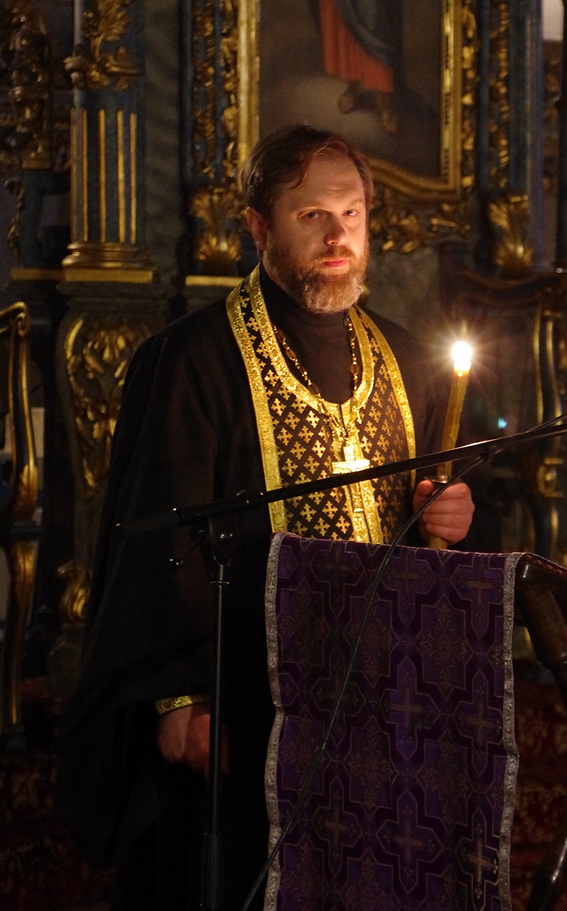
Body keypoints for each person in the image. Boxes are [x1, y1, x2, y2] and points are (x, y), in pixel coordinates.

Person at [56, 124, 475, 910]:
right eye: (312, 215)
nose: (337, 236)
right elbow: (160, 540)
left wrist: (446, 516)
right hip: (245, 703)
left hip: (379, 702)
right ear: (258, 226)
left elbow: (421, 521)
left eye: (351, 214)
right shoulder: (192, 359)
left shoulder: (407, 358)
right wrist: (180, 697)